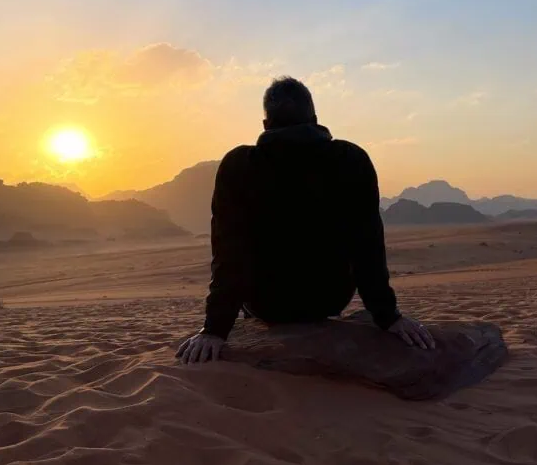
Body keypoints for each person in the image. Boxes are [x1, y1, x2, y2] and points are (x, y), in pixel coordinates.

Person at [177, 76, 435, 364]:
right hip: (328, 299)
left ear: (265, 125)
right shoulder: (351, 159)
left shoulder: (238, 166)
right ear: (314, 119)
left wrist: (214, 330)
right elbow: (368, 247)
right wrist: (388, 317)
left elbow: (228, 253)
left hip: (266, 305)